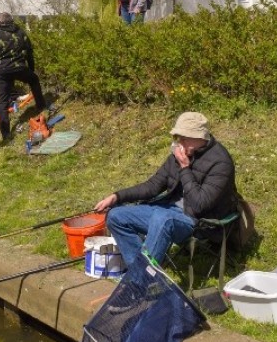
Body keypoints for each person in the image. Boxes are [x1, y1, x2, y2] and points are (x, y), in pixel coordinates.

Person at [94, 112, 239, 265]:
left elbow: (200, 205)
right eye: (177, 137)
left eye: (183, 137)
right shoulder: (181, 154)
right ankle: (136, 268)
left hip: (198, 221)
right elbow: (152, 186)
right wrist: (117, 196)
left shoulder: (220, 162)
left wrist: (185, 168)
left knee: (163, 219)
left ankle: (143, 276)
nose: (179, 142)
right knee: (116, 216)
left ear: (199, 137)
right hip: (166, 211)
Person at [0, 12, 48, 141]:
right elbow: (29, 52)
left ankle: (6, 134)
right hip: (19, 67)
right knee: (34, 80)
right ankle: (41, 106)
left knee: (2, 101)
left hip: (2, 70)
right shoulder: (21, 32)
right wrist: (31, 69)